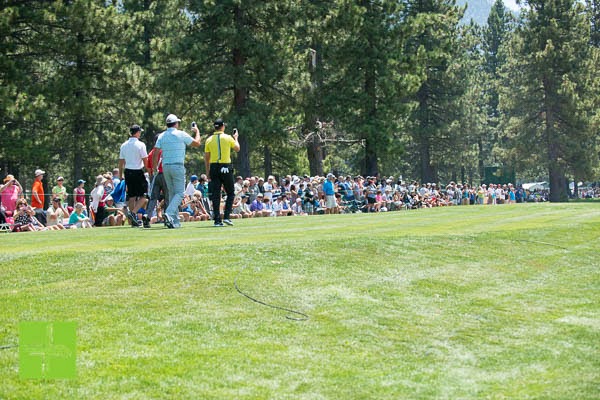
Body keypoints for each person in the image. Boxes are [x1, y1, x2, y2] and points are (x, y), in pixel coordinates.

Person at [153, 114, 201, 228]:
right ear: (176, 124)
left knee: (172, 193)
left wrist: (155, 166)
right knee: (180, 193)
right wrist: (197, 131)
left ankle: (174, 221)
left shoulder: (162, 136)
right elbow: (197, 143)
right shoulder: (181, 134)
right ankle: (169, 213)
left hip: (165, 166)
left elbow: (156, 152)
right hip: (177, 166)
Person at [204, 118, 240, 227]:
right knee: (230, 192)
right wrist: (236, 138)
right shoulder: (228, 138)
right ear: (223, 126)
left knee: (216, 194)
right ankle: (227, 216)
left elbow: (206, 158)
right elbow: (237, 148)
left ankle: (217, 220)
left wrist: (208, 171)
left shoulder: (209, 140)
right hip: (225, 166)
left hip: (214, 167)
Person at [119, 124, 149, 227]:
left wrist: (120, 175)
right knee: (144, 195)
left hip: (128, 172)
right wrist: (149, 171)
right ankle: (133, 213)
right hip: (137, 171)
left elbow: (121, 162)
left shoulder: (124, 145)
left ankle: (133, 221)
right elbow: (145, 160)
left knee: (132, 196)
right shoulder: (141, 144)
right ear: (137, 133)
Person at [147, 134, 168, 221]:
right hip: (163, 174)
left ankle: (147, 216)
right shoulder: (163, 151)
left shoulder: (151, 152)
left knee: (153, 199)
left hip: (154, 176)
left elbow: (148, 168)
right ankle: (167, 217)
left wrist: (151, 177)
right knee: (167, 197)